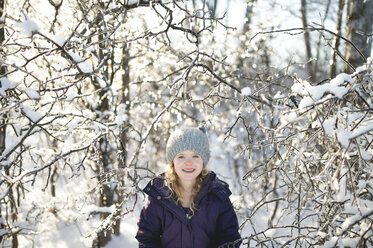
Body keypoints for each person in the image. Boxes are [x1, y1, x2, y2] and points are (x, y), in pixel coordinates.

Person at [136, 127, 241, 248]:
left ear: (203, 160)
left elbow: (229, 237)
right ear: (172, 161)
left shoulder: (217, 195)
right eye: (181, 156)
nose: (188, 163)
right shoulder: (158, 195)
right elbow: (147, 237)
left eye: (195, 156)